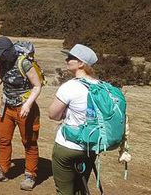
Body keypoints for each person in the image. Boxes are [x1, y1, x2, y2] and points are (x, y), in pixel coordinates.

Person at [0, 36, 42, 191]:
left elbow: (37, 86)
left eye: (2, 53)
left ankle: (30, 175)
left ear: (10, 50)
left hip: (25, 108)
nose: (0, 56)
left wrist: (28, 105)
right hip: (6, 107)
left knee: (29, 142)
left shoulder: (24, 63)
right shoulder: (2, 61)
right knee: (3, 139)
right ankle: (2, 170)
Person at [48, 44, 99, 195]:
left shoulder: (70, 86)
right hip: (91, 146)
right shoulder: (101, 86)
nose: (67, 60)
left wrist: (64, 114)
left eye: (71, 58)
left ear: (81, 63)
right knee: (80, 188)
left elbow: (52, 114)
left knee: (64, 191)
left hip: (68, 146)